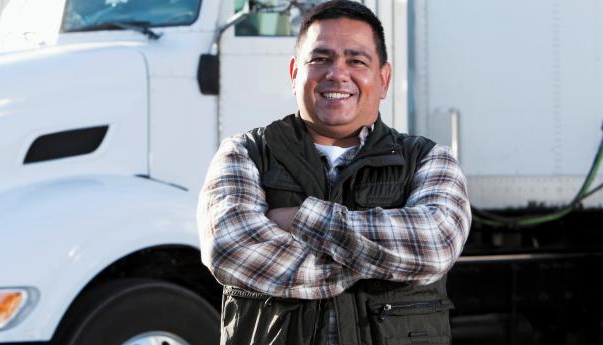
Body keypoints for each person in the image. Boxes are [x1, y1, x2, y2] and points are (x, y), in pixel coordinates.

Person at [196, 1, 471, 344]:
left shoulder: (431, 160)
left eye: (356, 60)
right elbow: (230, 248)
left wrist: (302, 219)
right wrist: (376, 262)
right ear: (295, 73)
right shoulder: (243, 153)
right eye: (320, 59)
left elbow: (434, 243)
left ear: (383, 80)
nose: (337, 73)